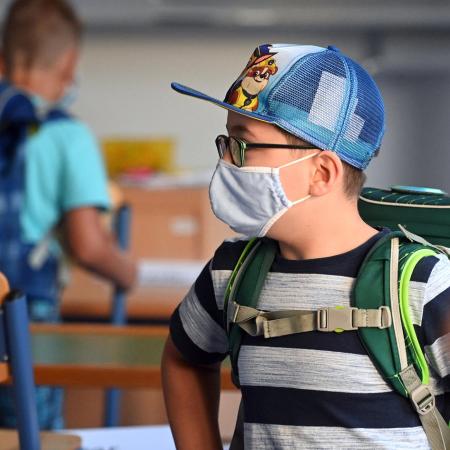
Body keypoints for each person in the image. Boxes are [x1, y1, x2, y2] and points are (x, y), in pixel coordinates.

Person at [162, 44, 450, 449]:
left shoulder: (422, 283)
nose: (227, 162)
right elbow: (184, 359)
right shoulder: (230, 271)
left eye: (242, 145)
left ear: (322, 172)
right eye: (225, 142)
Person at [0, 0, 136, 429]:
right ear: (68, 62)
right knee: (29, 434)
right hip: (21, 317)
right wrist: (128, 272)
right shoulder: (67, 137)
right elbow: (89, 246)